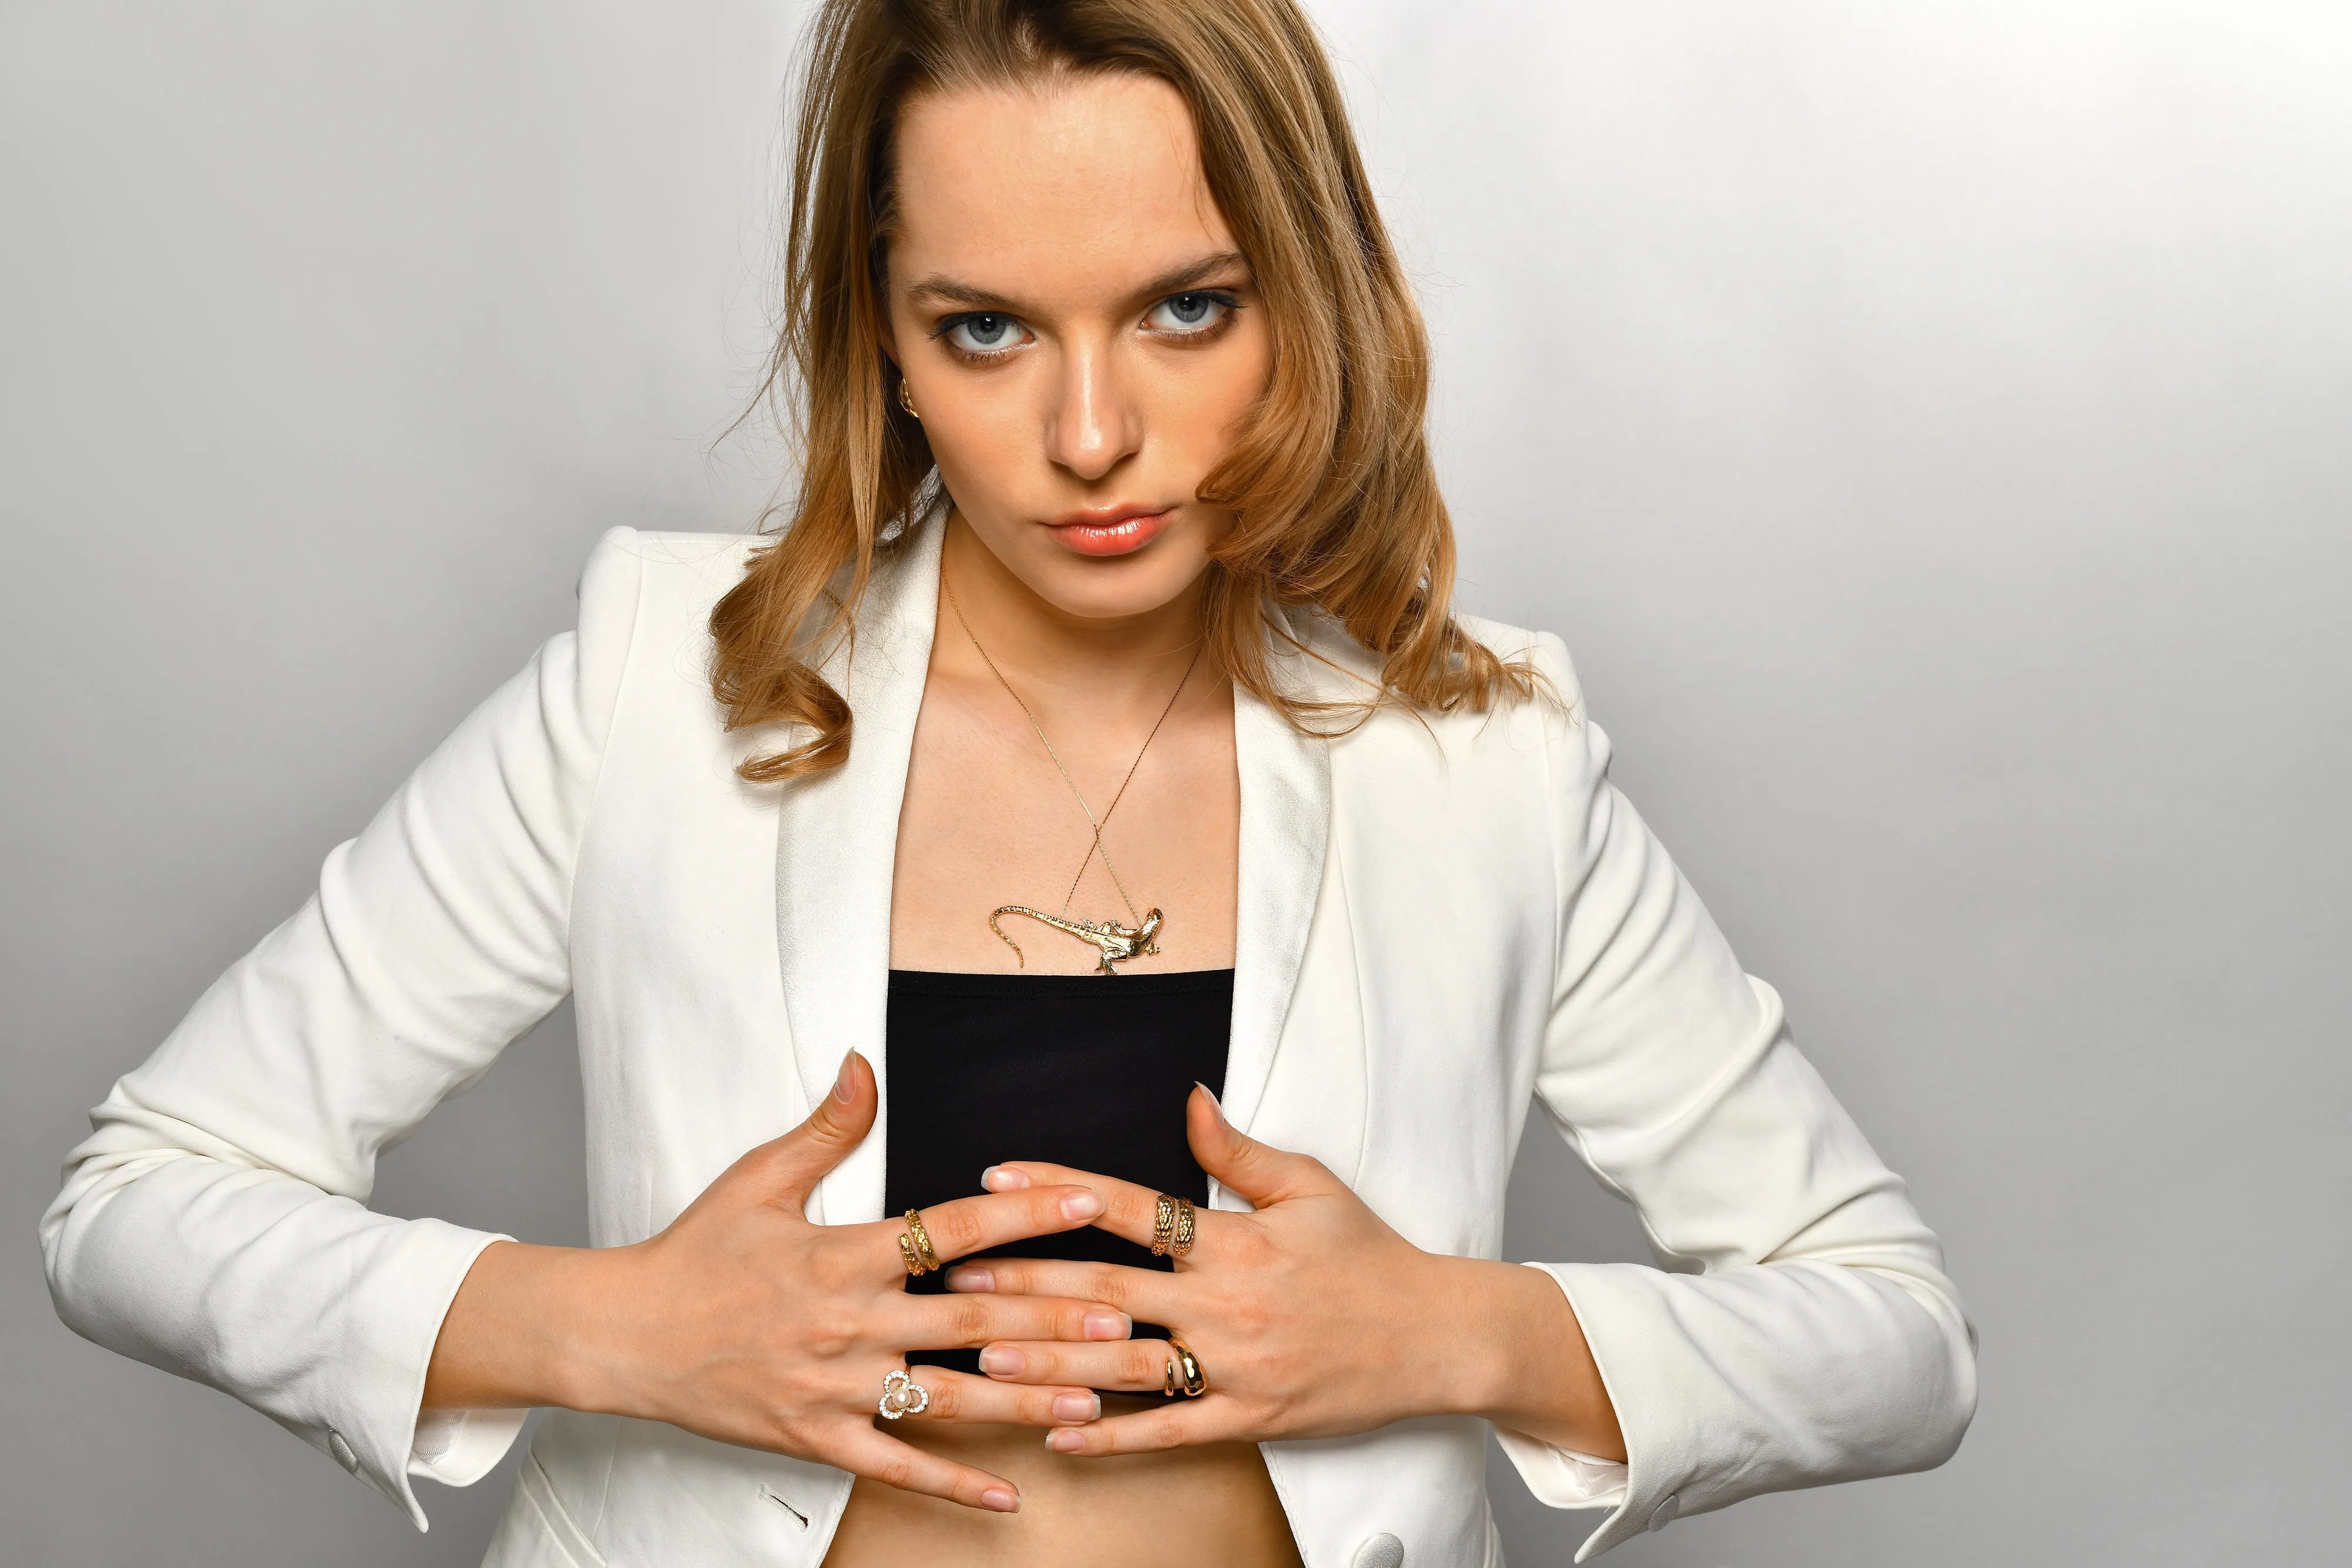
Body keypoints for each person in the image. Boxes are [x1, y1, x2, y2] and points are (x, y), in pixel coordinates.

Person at [41, 1, 1976, 1564]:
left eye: (1184, 309)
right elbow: (139, 1201)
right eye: (986, 330)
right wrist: (617, 1328)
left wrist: (1463, 1334)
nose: (1093, 434)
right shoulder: (663, 683)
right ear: (878, 335)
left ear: (1303, 290)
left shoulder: (1487, 756)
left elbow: (1895, 1340)